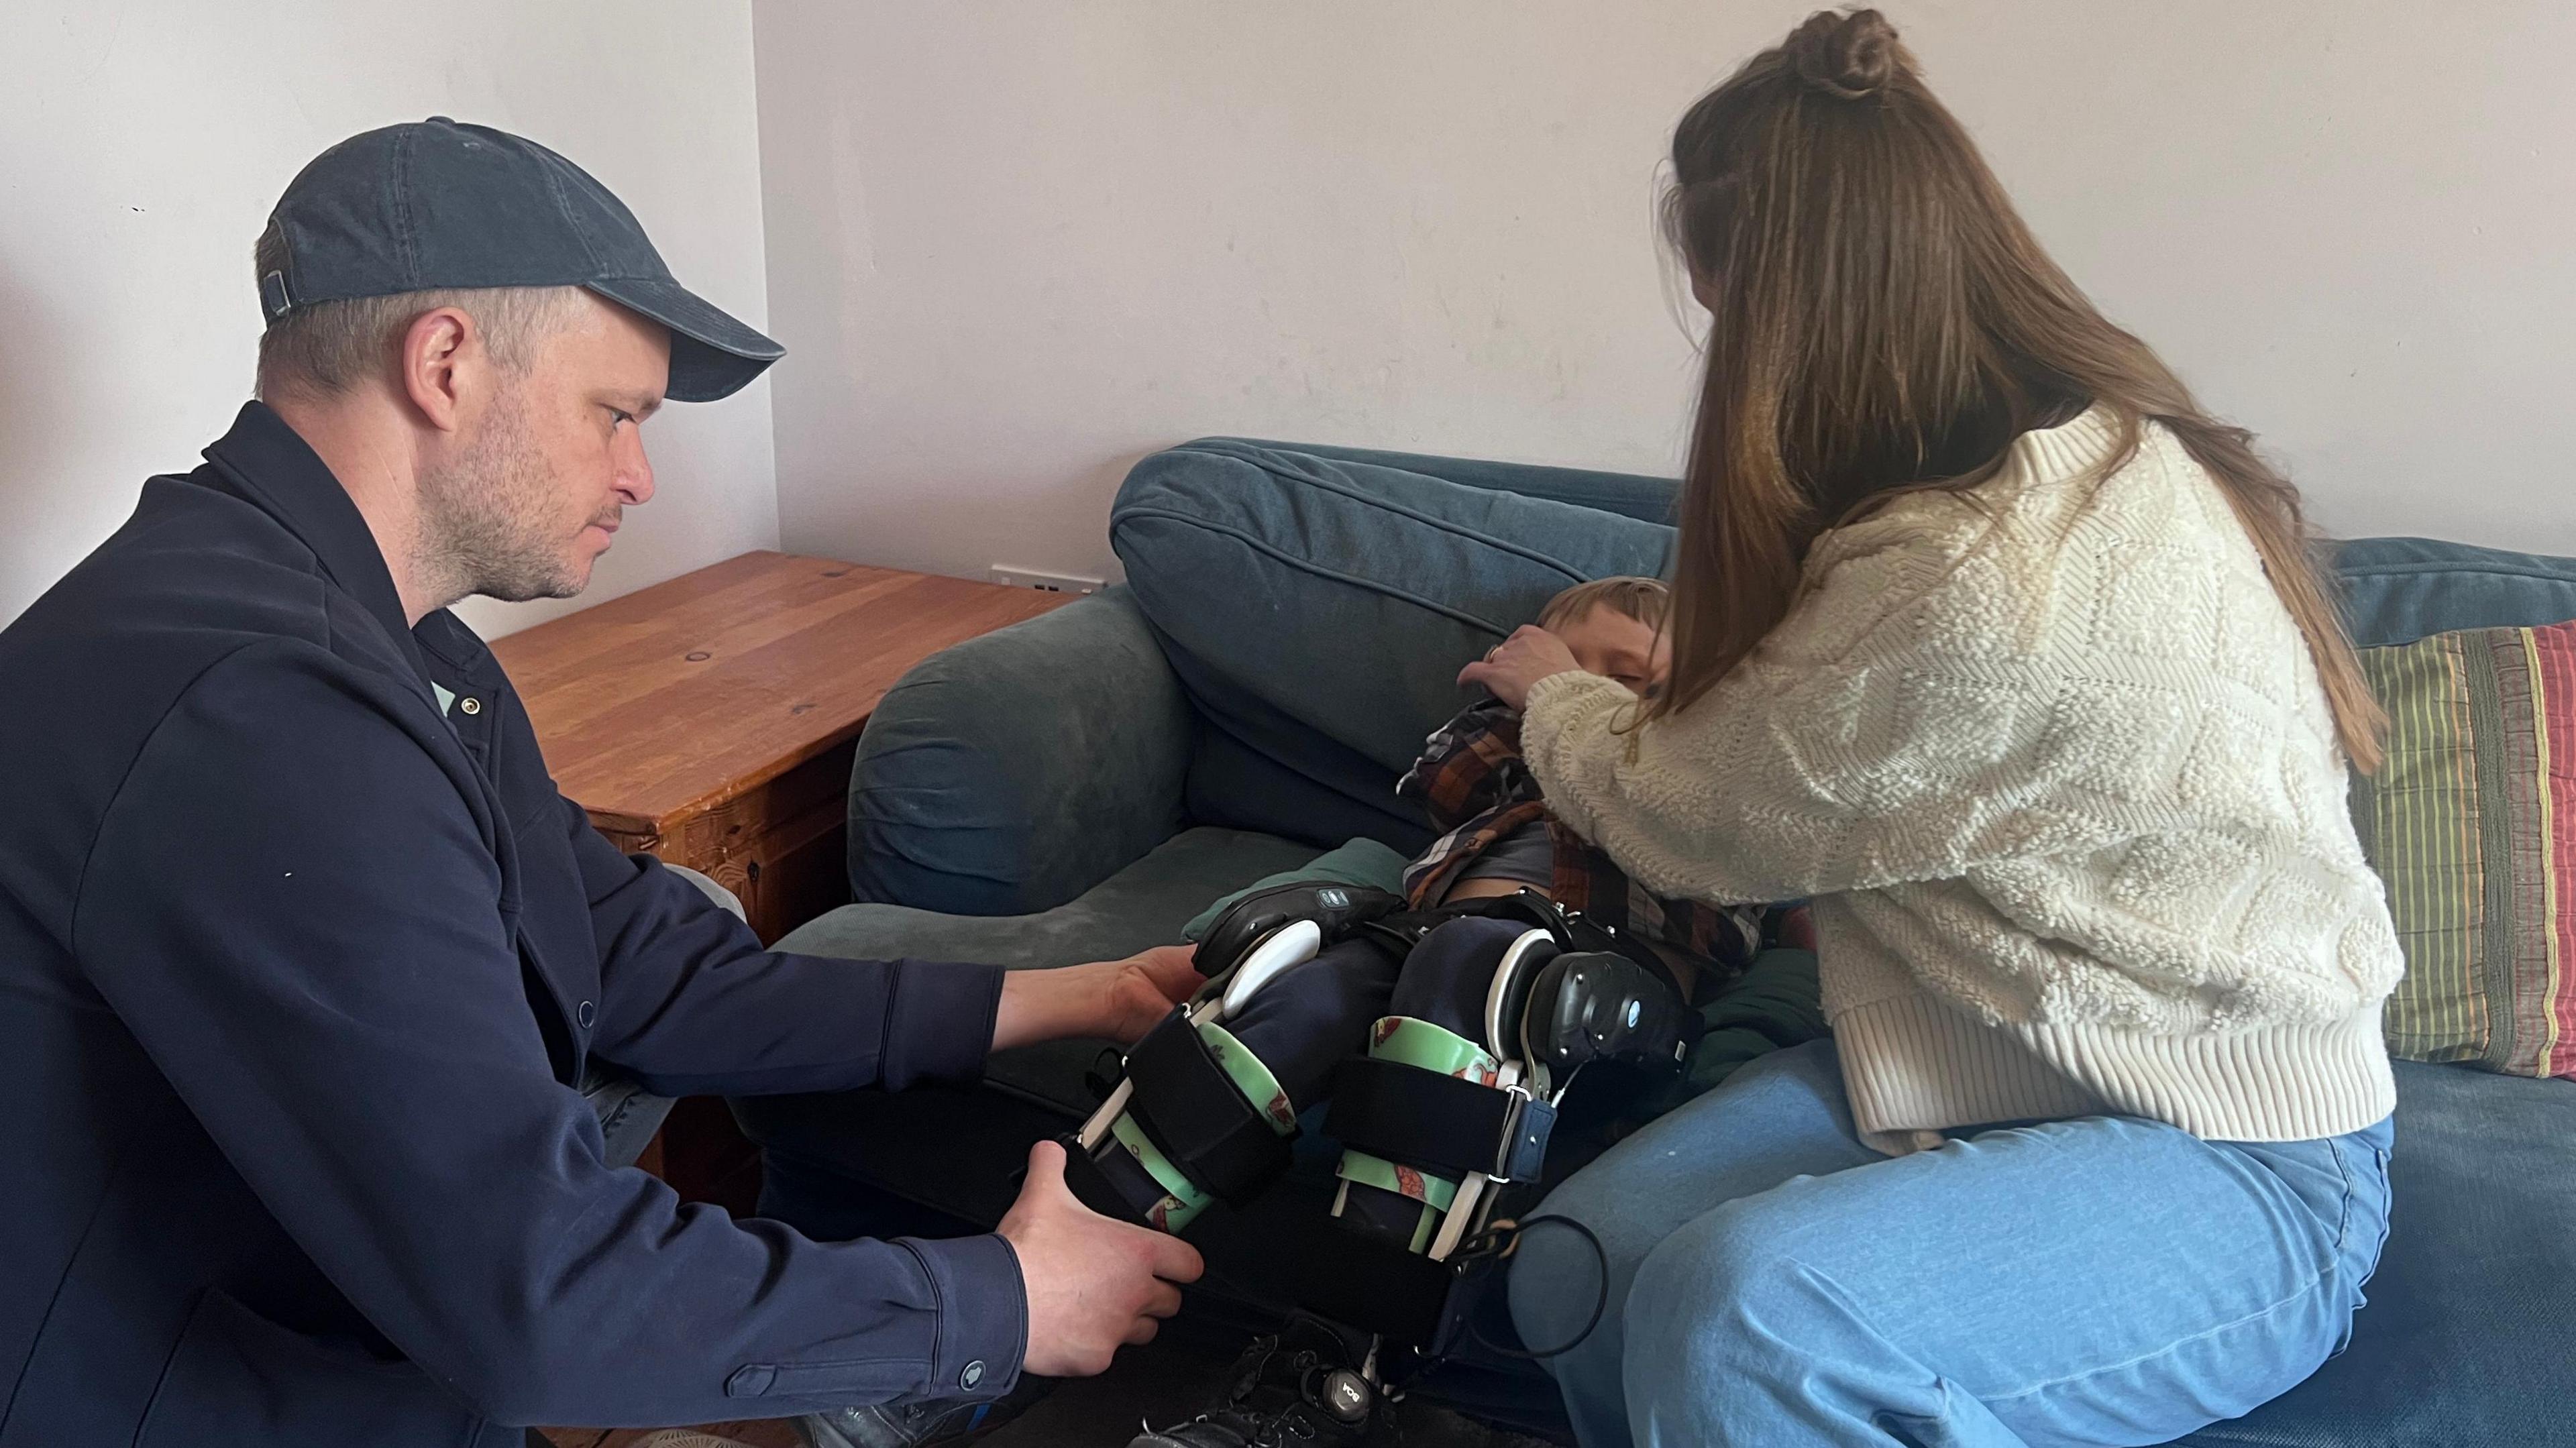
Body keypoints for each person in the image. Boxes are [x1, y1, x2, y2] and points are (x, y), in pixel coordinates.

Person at [0, 119, 1203, 1447]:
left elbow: (652, 971)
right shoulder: (264, 714)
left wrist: (1088, 992)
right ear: (446, 364)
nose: (639, 474)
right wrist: (1001, 1306)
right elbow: (538, 1297)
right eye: (615, 413)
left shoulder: (397, 647)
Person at [1460, 13, 2403, 1446]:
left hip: (2240, 1153)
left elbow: (1687, 814)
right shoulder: (2077, 448)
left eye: (1721, 308)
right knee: (1579, 1278)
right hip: (1975, 1067)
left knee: (1747, 1319)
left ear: (1780, 312)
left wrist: (1560, 696)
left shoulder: (1977, 572)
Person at [1088, 580, 1809, 1448]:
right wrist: (1520, 700)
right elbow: (1443, 781)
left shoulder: (1708, 779)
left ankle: (1337, 1380)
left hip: (1598, 992)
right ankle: (1059, 1258)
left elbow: (1744, 842)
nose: (1599, 688)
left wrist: (1570, 694)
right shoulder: (1516, 766)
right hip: (1427, 942)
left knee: (1475, 959)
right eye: (1578, 663)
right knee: (1304, 990)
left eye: (1636, 680)